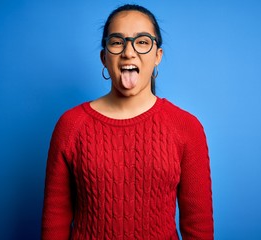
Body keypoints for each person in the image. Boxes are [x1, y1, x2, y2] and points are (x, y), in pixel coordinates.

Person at [42, 4, 214, 240]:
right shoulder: (71, 126)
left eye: (142, 42)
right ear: (104, 57)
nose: (129, 52)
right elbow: (55, 222)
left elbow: (199, 227)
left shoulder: (186, 127)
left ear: (158, 56)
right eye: (117, 42)